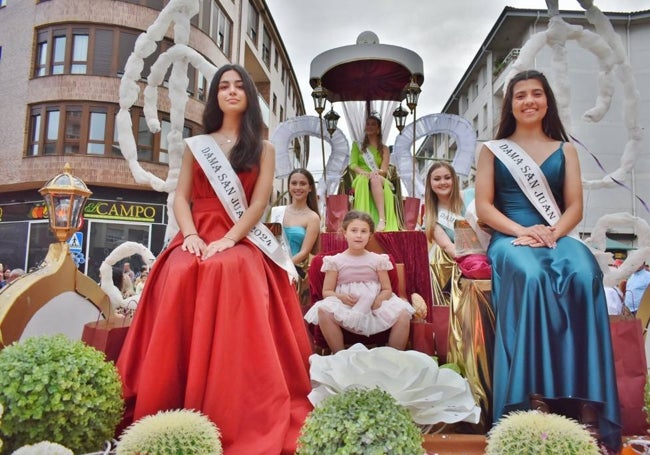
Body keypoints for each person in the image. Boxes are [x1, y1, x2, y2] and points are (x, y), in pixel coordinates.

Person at [116, 64, 313, 454]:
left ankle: (227, 399)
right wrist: (189, 235)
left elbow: (258, 204)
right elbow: (180, 198)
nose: (231, 91)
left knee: (231, 266)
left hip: (238, 235)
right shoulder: (197, 145)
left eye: (239, 86)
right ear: (215, 96)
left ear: (249, 97)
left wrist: (229, 239)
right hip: (196, 232)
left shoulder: (263, 148)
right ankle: (167, 395)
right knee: (178, 267)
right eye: (224, 86)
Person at [475, 69, 621, 451]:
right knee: (531, 275)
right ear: (510, 104)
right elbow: (484, 208)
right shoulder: (493, 149)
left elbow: (575, 207)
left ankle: (585, 398)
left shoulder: (565, 149)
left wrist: (552, 233)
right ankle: (532, 395)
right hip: (510, 237)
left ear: (547, 101)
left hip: (555, 236)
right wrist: (521, 232)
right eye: (520, 95)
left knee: (584, 271)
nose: (529, 101)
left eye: (536, 94)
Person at [303, 210, 414, 353]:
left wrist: (378, 300)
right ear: (344, 233)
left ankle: (393, 356)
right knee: (323, 310)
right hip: (348, 305)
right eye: (354, 230)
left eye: (364, 231)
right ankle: (340, 354)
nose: (359, 235)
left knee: (403, 312)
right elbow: (327, 291)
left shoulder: (378, 260)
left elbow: (387, 289)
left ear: (370, 235)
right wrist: (341, 297)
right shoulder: (334, 261)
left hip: (374, 305)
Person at [270, 168, 321, 308]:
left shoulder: (313, 217)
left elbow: (304, 252)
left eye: (303, 184)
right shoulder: (276, 212)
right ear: (289, 186)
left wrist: (283, 267)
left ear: (310, 188)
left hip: (293, 272)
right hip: (271, 268)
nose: (298, 187)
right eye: (294, 183)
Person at [424, 161, 470, 306]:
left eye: (447, 177)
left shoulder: (471, 196)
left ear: (454, 180)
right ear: (430, 183)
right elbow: (448, 246)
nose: (443, 182)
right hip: (462, 258)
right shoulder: (431, 217)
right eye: (437, 179)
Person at [349, 113, 398, 232]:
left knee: (375, 179)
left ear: (378, 129)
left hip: (378, 176)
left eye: (373, 124)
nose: (370, 126)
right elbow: (353, 164)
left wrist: (376, 172)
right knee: (370, 179)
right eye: (368, 124)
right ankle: (365, 221)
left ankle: (382, 220)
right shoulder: (357, 145)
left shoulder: (385, 149)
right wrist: (363, 172)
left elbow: (384, 170)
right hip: (361, 177)